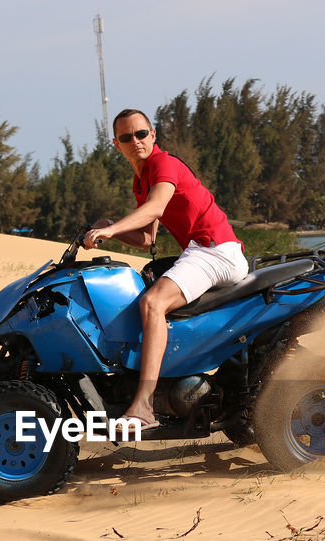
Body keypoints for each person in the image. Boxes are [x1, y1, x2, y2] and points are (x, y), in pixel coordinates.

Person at [83, 108, 248, 430]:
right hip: (202, 251)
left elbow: (155, 209)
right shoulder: (140, 181)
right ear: (116, 144)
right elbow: (147, 238)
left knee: (153, 303)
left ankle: (143, 406)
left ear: (153, 135)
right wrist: (108, 226)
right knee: (144, 299)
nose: (136, 141)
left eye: (141, 134)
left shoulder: (163, 164)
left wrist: (112, 230)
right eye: (127, 137)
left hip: (215, 249)